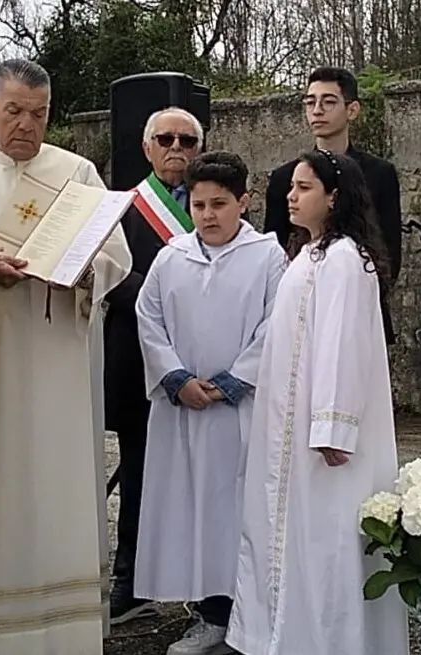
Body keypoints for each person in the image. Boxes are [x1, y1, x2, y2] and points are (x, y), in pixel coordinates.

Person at [0, 58, 133, 654]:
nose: (26, 124)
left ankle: (63, 627)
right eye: (14, 110)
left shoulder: (77, 173)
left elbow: (115, 258)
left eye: (39, 113)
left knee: (55, 480)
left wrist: (83, 272)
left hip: (56, 362)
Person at [225, 150, 409, 655]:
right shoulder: (307, 255)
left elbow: (341, 347)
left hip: (322, 435)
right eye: (292, 187)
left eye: (304, 188)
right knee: (289, 537)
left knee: (327, 541)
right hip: (287, 426)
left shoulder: (347, 260)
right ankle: (286, 636)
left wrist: (333, 427)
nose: (291, 195)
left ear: (334, 197)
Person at [134, 151, 286, 655]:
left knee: (233, 512)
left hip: (237, 411)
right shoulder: (172, 256)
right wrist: (176, 378)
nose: (208, 215)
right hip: (183, 409)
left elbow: (276, 325)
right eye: (199, 205)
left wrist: (230, 382)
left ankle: (240, 614)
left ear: (243, 201)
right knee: (187, 511)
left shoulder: (268, 257)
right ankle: (203, 613)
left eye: (220, 204)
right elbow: (148, 317)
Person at [104, 106, 202, 626]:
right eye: (165, 138)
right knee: (139, 474)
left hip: (203, 362)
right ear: (146, 147)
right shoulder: (123, 208)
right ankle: (131, 578)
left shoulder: (214, 202)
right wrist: (172, 301)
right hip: (138, 362)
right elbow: (113, 276)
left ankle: (209, 591)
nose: (176, 148)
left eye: (187, 140)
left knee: (202, 476)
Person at [262, 66, 402, 344]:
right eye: (310, 102)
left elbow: (389, 252)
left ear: (352, 110)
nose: (317, 110)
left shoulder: (379, 173)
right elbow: (274, 250)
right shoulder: (284, 178)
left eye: (328, 102)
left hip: (359, 311)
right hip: (299, 312)